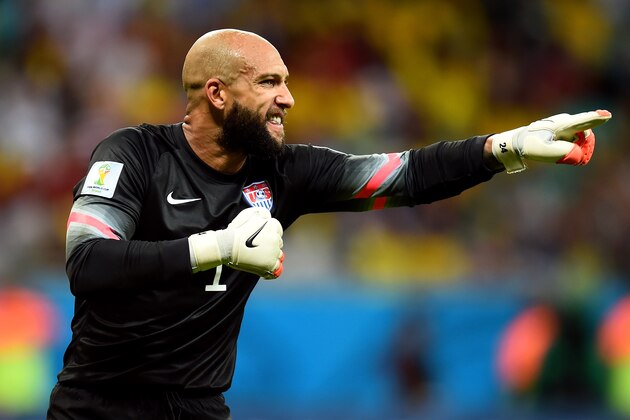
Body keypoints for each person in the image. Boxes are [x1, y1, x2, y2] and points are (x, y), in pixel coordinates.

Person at [46, 28, 611, 419]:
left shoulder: (287, 173)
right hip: (97, 404)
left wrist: (503, 148)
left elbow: (406, 174)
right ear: (216, 93)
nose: (288, 98)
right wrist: (216, 246)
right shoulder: (134, 154)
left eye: (286, 81)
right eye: (268, 82)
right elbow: (88, 261)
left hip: (199, 407)